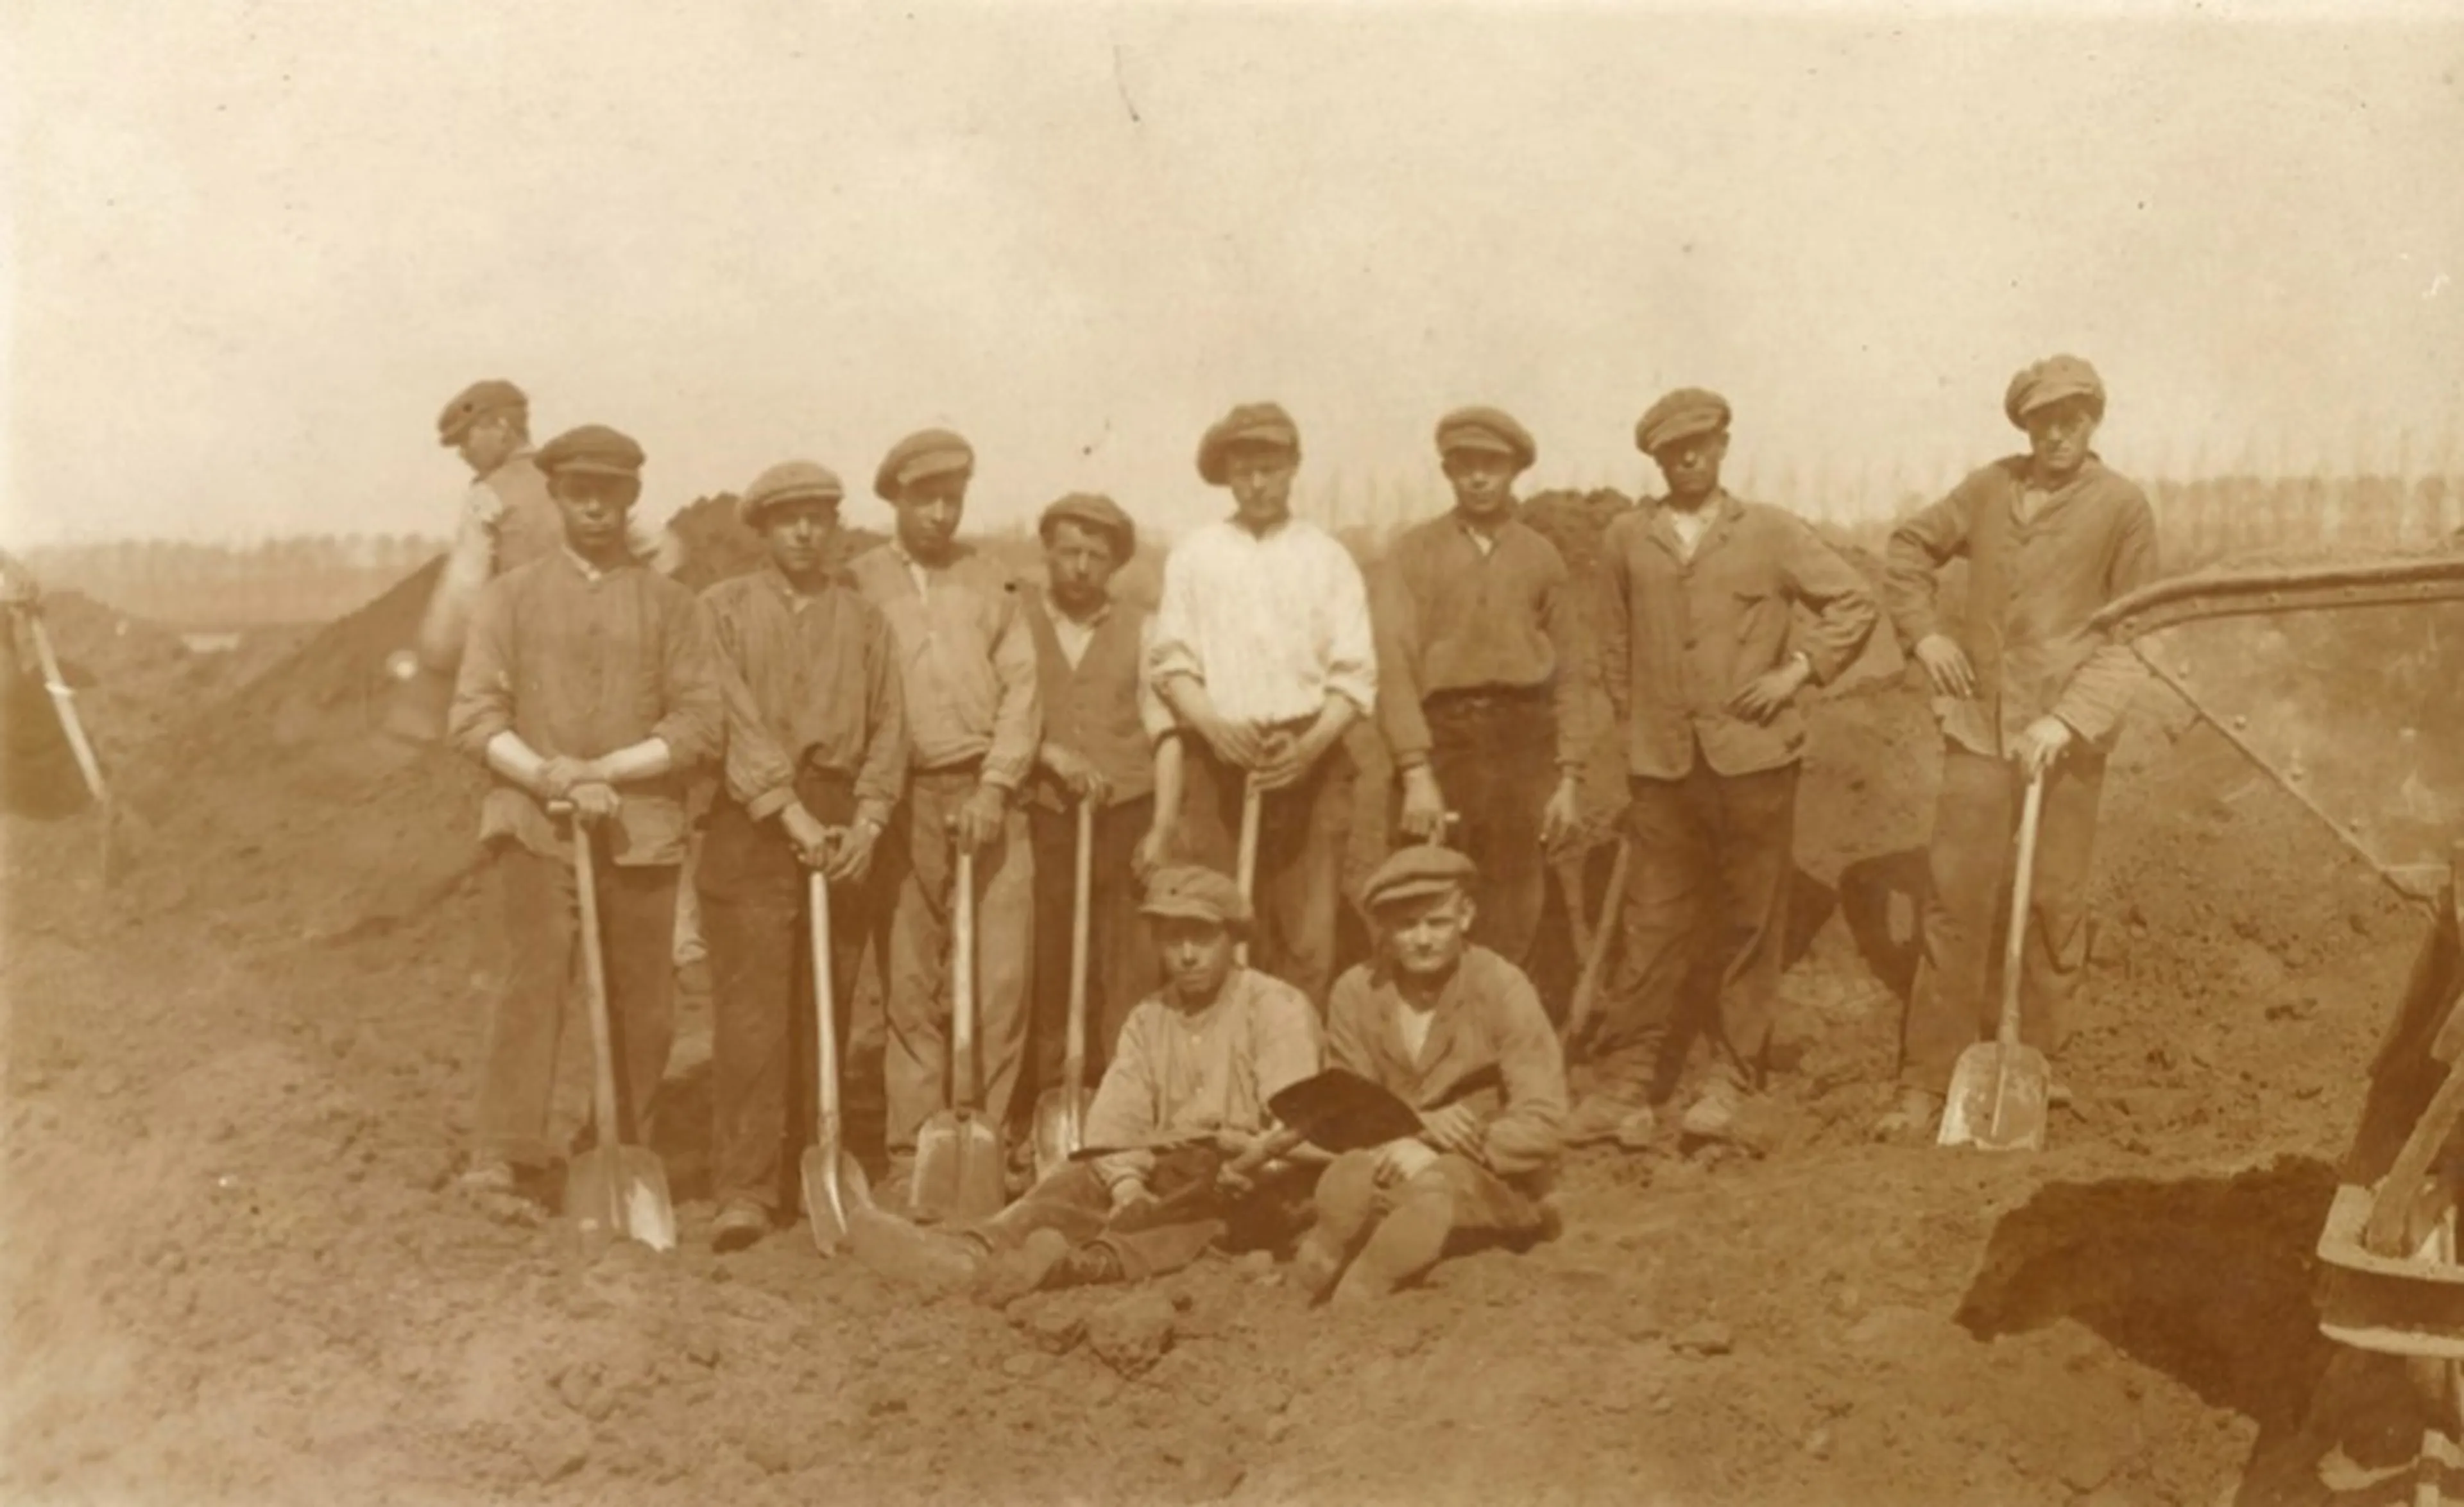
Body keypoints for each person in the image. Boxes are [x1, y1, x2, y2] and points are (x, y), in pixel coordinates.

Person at [1572, 388, 1877, 1150]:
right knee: (1653, 924)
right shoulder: (1625, 538)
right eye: (1673, 450)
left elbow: (1854, 600)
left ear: (1723, 445)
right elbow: (1614, 645)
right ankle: (1627, 1082)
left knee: (1749, 920)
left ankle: (1730, 1078)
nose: (1688, 459)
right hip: (1664, 766)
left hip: (1754, 759)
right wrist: (1638, 726)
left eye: (1701, 444)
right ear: (1656, 458)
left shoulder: (1769, 532)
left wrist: (1798, 671)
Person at [1876, 355, 2158, 1141]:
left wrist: (2066, 720)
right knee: (1955, 898)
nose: (2058, 431)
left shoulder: (2123, 508)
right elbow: (1906, 550)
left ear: (2094, 419)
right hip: (1978, 728)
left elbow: (2137, 633)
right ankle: (1927, 1077)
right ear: (2024, 425)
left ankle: (2037, 1059)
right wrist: (1925, 633)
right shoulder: (1986, 490)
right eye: (2043, 419)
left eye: (2073, 416)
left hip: (2066, 740)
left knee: (2053, 903)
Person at [446, 424, 722, 1200]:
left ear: (633, 499)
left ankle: (617, 1140)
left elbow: (700, 725)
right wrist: (550, 777)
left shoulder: (673, 606)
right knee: (532, 979)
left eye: (611, 492)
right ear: (558, 497)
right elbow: (472, 716)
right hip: (535, 825)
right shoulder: (509, 598)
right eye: (580, 492)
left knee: (647, 999)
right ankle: (504, 1149)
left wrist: (607, 770)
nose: (596, 506)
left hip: (643, 830)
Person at [844, 865, 1324, 1301]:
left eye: (1202, 938)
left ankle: (1071, 1268)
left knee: (1190, 1212)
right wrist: (1127, 1186)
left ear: (1232, 939)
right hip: (1177, 1167)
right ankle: (970, 1249)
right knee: (1075, 1180)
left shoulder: (1274, 1009)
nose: (1188, 956)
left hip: (1260, 1186)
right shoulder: (1149, 1018)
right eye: (1173, 940)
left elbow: (1297, 1129)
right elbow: (1117, 1122)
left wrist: (1250, 1159)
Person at [696, 461, 906, 1251]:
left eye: (819, 516)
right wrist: (784, 809)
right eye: (789, 518)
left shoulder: (865, 621)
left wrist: (872, 816)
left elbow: (891, 722)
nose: (806, 531)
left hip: (842, 818)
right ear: (763, 528)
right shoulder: (721, 612)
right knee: (753, 1011)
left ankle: (812, 1164)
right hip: (752, 821)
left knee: (828, 1002)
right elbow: (727, 715)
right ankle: (745, 1188)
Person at [849, 428, 1041, 1213]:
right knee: (910, 978)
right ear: (894, 497)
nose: (938, 511)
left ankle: (987, 1133)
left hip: (988, 792)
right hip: (900, 796)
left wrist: (995, 787)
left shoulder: (993, 581)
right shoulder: (860, 584)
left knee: (999, 975)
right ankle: (913, 1146)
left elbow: (1024, 689)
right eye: (923, 496)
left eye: (951, 497)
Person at [1148, 402, 1376, 1006]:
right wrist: (1214, 728)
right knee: (1219, 922)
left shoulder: (1327, 558)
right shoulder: (1196, 556)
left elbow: (1354, 678)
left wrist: (1309, 748)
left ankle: (1296, 1078)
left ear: (1294, 468)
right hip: (1221, 759)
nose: (1257, 484)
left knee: (1307, 939)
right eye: (1244, 470)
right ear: (1226, 474)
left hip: (1310, 757)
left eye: (1270, 469)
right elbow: (1173, 663)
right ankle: (1224, 1072)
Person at [1294, 845, 1568, 1303]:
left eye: (1437, 923)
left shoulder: (1501, 986)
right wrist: (1413, 1131)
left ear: (1466, 917)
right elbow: (1347, 1108)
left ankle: (1367, 1286)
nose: (1422, 939)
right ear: (1383, 929)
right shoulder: (1356, 992)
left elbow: (1545, 1122)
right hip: (1389, 1159)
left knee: (1437, 1185)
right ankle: (1332, 1251)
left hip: (1488, 1173)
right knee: (1353, 1173)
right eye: (1406, 925)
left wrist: (1439, 1142)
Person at [1374, 406, 1594, 967]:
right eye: (1465, 465)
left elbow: (1572, 671)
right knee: (1429, 888)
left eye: (1491, 465)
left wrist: (1568, 776)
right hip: (1444, 742)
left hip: (1523, 742)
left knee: (1518, 897)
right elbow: (1392, 666)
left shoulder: (1541, 557)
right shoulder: (1412, 554)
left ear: (1515, 470)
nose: (1478, 477)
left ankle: (1499, 1029)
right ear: (1448, 471)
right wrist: (1416, 771)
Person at [1018, 493, 1174, 1128]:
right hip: (1045, 813)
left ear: (1114, 563)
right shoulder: (1018, 618)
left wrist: (1162, 824)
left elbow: (1164, 730)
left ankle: (1121, 1105)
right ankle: (1048, 1100)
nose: (1080, 566)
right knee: (1047, 961)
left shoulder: (1142, 627)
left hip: (1125, 817)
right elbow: (1003, 712)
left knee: (1127, 963)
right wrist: (1049, 754)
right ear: (1048, 553)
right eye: (1069, 551)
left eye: (1095, 555)